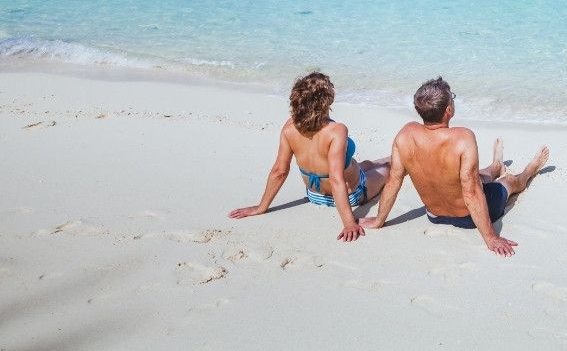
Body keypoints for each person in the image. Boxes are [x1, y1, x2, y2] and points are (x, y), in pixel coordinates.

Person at [361, 77, 549, 257]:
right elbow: (472, 193)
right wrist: (491, 238)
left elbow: (394, 181)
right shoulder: (463, 138)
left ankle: (495, 166)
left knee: (476, 176)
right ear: (448, 110)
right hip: (468, 218)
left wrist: (379, 221)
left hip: (434, 215)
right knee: (508, 181)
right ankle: (528, 172)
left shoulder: (405, 135)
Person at [228, 71, 391, 242]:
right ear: (328, 99)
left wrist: (261, 207)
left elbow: (279, 171)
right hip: (352, 195)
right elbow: (336, 179)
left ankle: (384, 159)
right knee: (389, 169)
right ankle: (393, 158)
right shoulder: (336, 131)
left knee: (365, 164)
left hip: (314, 194)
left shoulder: (290, 127)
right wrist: (349, 223)